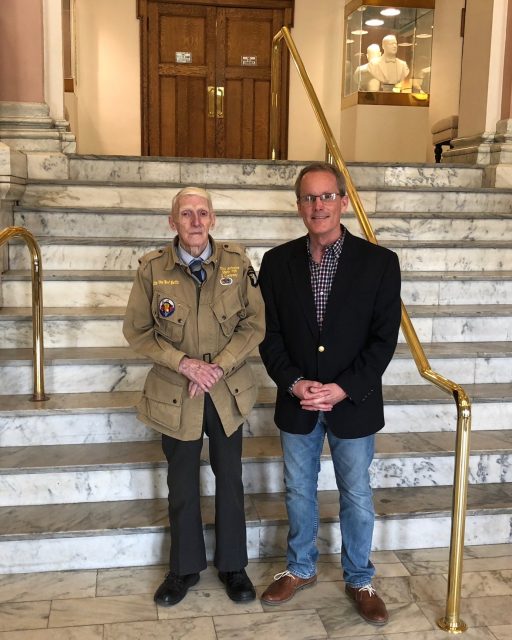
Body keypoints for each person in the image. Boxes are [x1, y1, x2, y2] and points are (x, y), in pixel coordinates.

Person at [258, 163, 401, 626]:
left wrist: (342, 388)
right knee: (298, 489)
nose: (317, 206)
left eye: (325, 197)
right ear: (298, 205)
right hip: (297, 400)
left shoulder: (380, 263)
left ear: (343, 201)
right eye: (308, 198)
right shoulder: (276, 263)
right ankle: (300, 567)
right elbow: (268, 335)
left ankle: (360, 578)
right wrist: (295, 382)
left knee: (356, 494)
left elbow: (383, 339)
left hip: (352, 403)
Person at [123, 186, 265, 607]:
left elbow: (254, 325)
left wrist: (216, 365)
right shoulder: (152, 270)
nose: (196, 221)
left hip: (225, 392)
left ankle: (233, 566)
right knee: (181, 484)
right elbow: (138, 332)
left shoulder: (237, 266)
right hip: (176, 394)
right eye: (186, 214)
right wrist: (185, 363)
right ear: (173, 222)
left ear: (213, 219)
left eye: (203, 212)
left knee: (231, 480)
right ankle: (183, 568)